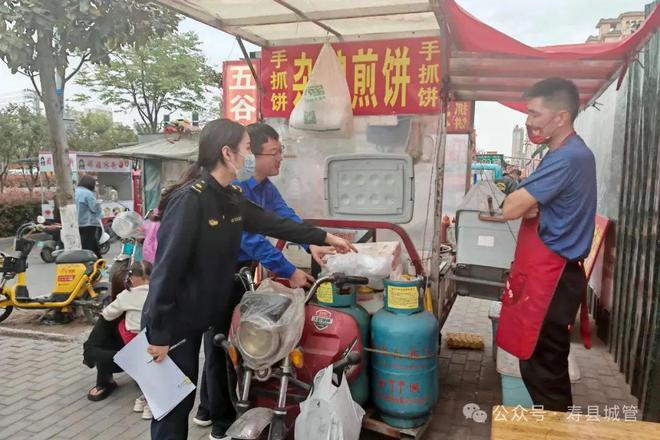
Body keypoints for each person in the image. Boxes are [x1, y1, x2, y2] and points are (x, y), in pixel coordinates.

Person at [141, 118, 356, 440]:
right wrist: (158, 334)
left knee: (194, 389)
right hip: (174, 321)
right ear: (228, 153)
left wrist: (325, 237)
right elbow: (166, 269)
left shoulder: (228, 197)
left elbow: (274, 223)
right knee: (173, 406)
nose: (249, 157)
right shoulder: (191, 199)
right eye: (245, 149)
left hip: (203, 312)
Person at [192, 123, 336, 432]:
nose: (280, 158)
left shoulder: (264, 188)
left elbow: (283, 218)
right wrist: (290, 271)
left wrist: (311, 242)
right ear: (249, 153)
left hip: (242, 273)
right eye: (275, 152)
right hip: (218, 275)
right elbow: (249, 239)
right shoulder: (230, 189)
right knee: (220, 344)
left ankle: (207, 406)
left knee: (231, 338)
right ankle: (220, 420)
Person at [496, 77, 596, 412]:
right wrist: (526, 201)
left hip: (553, 279)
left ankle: (558, 430)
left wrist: (523, 201)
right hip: (548, 276)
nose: (529, 121)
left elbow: (510, 208)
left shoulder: (569, 157)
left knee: (545, 371)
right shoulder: (562, 155)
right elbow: (522, 203)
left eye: (535, 113)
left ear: (561, 117)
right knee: (537, 365)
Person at [83, 260, 152, 417]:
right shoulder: (154, 294)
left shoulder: (126, 298)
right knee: (109, 332)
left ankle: (146, 386)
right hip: (140, 353)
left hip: (149, 352)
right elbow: (90, 349)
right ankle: (105, 381)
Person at [75, 175, 103, 257]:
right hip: (89, 222)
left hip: (78, 222)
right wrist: (98, 202)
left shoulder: (76, 191)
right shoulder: (88, 193)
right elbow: (94, 208)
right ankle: (95, 261)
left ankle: (94, 260)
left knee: (85, 242)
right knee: (91, 243)